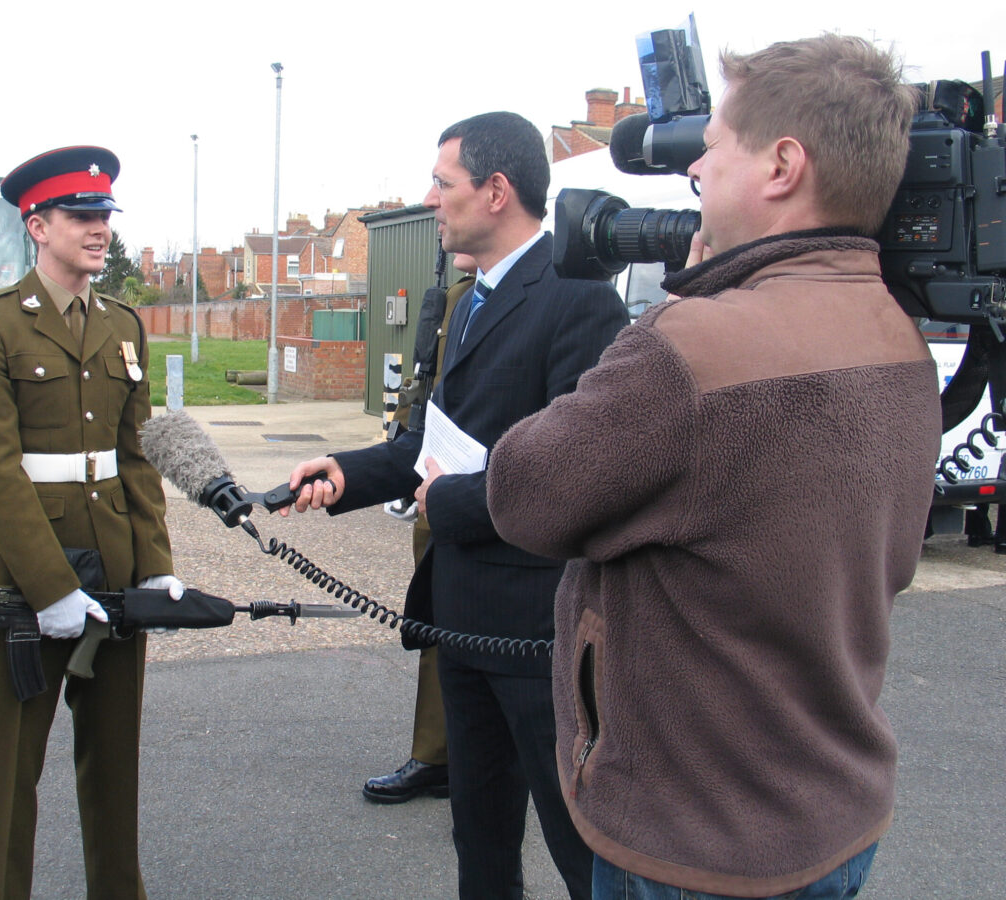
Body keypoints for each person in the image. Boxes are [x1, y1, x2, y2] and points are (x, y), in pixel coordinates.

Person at [486, 35, 941, 899]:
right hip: (834, 814)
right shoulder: (899, 332)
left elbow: (524, 494)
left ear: (781, 166)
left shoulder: (691, 348)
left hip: (693, 843)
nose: (695, 168)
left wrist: (677, 315)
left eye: (714, 146)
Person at [284, 111, 630, 899]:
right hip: (463, 621)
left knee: (583, 847)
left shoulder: (579, 301)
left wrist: (453, 503)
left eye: (443, 184)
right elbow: (436, 443)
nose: (431, 200)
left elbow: (576, 478)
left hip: (537, 629)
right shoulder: (468, 300)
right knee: (478, 834)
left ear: (497, 190)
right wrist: (347, 472)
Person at [0, 145, 182, 900]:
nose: (99, 231)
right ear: (37, 224)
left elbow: (136, 454)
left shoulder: (123, 324)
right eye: (82, 217)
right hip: (26, 568)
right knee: (11, 768)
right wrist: (49, 586)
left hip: (114, 560)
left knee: (115, 764)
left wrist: (155, 562)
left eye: (104, 216)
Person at [364, 254, 475, 804]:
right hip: (436, 485)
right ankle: (436, 755)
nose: (437, 208)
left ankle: (488, 760)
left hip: (489, 497)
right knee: (437, 621)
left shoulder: (543, 293)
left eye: (447, 190)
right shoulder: (454, 298)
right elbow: (425, 387)